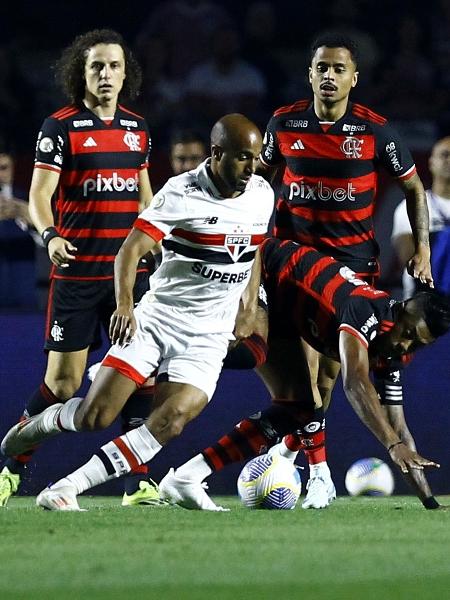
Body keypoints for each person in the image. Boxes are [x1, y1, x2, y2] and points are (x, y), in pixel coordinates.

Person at [1, 113, 275, 512]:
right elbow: (129, 250)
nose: (251, 169)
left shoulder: (261, 194)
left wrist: (248, 306)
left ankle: (66, 488)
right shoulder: (181, 192)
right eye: (242, 158)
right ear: (217, 154)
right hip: (158, 320)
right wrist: (126, 307)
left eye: (255, 159)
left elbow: (254, 250)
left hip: (208, 336)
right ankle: (39, 425)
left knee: (170, 420)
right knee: (96, 416)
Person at [250, 31, 434, 508]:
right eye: (321, 68)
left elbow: (415, 190)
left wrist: (423, 251)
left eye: (338, 69)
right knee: (302, 379)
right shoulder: (283, 123)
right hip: (292, 263)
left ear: (355, 77)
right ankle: (315, 470)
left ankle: (299, 462)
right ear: (309, 73)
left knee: (330, 378)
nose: (329, 76)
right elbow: (258, 187)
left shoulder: (375, 131)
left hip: (351, 268)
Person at [157, 238, 450, 511]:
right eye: (408, 332)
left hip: (285, 307)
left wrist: (429, 502)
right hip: (262, 272)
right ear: (401, 310)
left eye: (417, 343)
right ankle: (171, 338)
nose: (404, 344)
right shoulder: (366, 311)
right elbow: (355, 383)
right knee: (251, 354)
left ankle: (186, 477)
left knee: (299, 408)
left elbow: (399, 427)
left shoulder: (393, 351)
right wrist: (393, 446)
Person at [0, 29, 157, 508]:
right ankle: (11, 466)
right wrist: (50, 236)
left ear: (126, 73)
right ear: (81, 73)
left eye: (113, 66)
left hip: (128, 277)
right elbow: (41, 197)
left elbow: (144, 197)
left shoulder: (137, 129)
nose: (105, 74)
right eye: (96, 67)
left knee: (140, 375)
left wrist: (155, 244)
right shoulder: (60, 127)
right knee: (63, 384)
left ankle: (141, 483)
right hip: (78, 276)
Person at [392, 136, 450, 297]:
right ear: (431, 162)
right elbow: (409, 256)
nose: (449, 161)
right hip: (424, 300)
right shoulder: (410, 206)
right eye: (445, 155)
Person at [0, 150, 37, 308]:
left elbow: (44, 239)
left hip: (23, 277)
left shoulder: (29, 199)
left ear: (13, 168)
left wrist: (28, 215)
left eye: (4, 168)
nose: (0, 174)